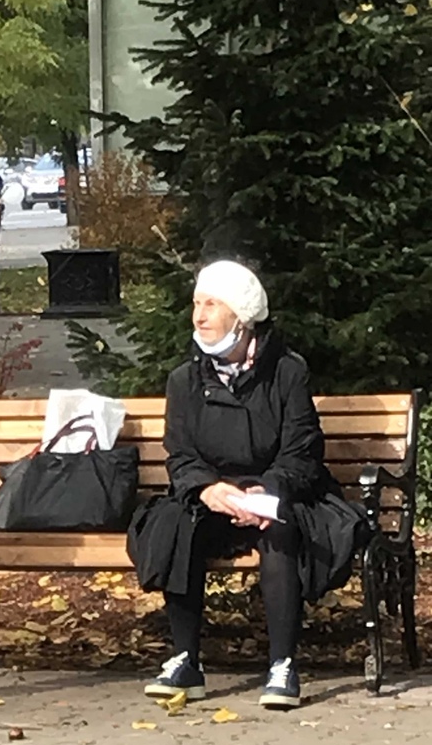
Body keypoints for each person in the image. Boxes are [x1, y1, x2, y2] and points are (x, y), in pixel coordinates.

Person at [128, 259, 365, 711]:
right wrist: (207, 489)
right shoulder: (184, 379)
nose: (199, 316)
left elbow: (302, 449)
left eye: (211, 305)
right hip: (213, 497)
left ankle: (282, 665)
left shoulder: (287, 372)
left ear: (241, 316)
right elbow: (181, 454)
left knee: (279, 528)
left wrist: (267, 491)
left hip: (277, 493)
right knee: (176, 523)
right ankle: (185, 661)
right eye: (196, 303)